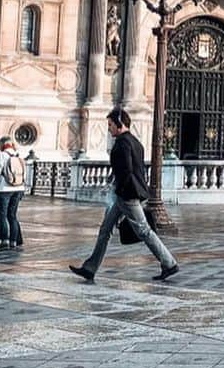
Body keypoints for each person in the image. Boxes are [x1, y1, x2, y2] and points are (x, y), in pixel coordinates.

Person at [69, 108, 178, 283]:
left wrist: (120, 188)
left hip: (126, 195)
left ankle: (169, 262)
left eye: (111, 125)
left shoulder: (122, 143)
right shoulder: (136, 142)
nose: (109, 128)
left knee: (143, 230)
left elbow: (126, 170)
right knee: (105, 230)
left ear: (120, 123)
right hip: (126, 194)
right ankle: (90, 268)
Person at [0, 137, 25, 250]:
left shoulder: (1, 155)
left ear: (2, 144)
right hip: (18, 188)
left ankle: (4, 240)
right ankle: (13, 241)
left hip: (4, 189)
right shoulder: (18, 155)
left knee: (2, 216)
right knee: (12, 215)